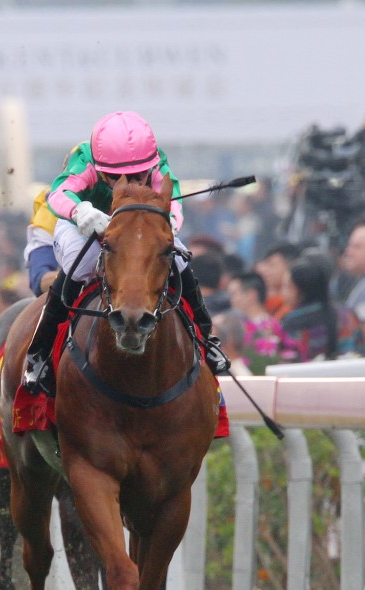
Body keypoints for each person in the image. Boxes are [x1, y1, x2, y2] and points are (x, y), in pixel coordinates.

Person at [20, 111, 230, 397]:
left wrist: (167, 225)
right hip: (83, 227)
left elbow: (174, 203)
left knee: (178, 259)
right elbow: (58, 194)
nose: (129, 182)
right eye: (117, 177)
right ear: (100, 168)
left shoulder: (158, 162)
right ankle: (39, 353)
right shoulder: (84, 159)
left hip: (138, 228)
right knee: (79, 269)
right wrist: (80, 210)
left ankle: (206, 340)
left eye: (137, 176)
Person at [279, 252, 365, 361]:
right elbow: (361, 346)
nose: (282, 292)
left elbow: (288, 358)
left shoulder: (292, 322)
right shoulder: (346, 314)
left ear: (302, 289)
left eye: (288, 287)